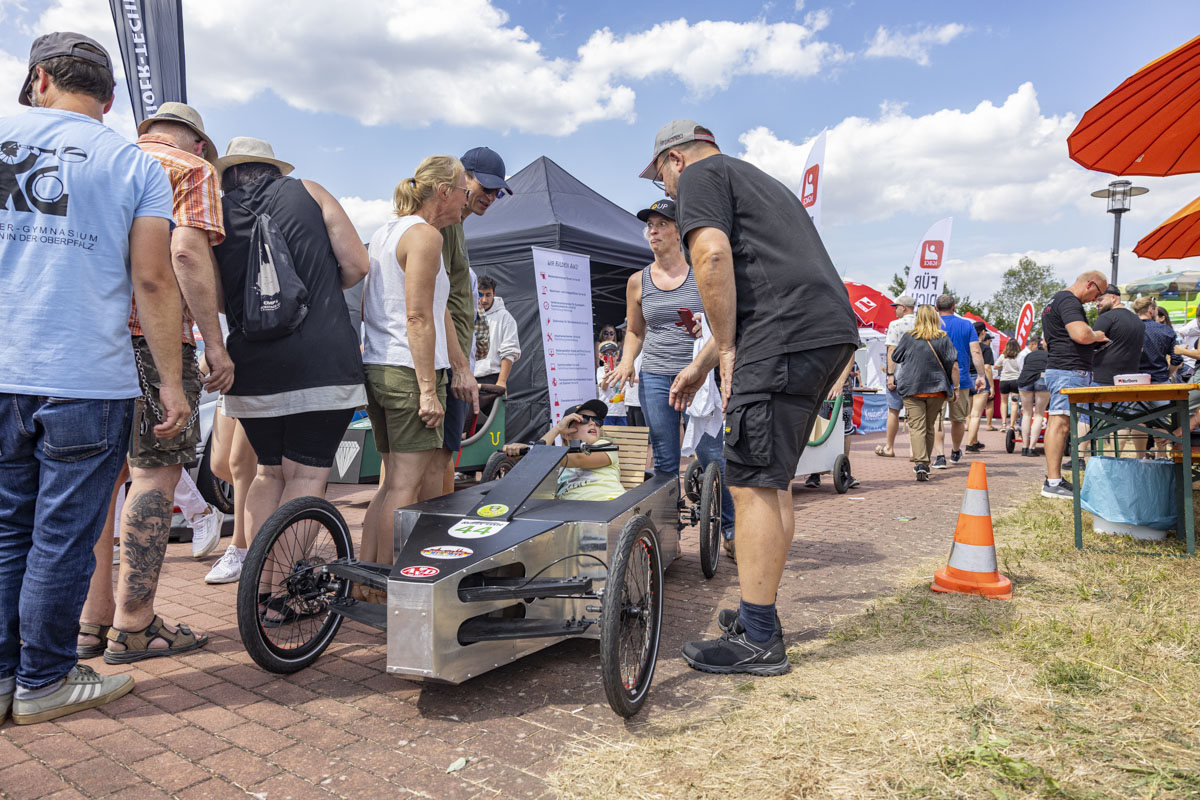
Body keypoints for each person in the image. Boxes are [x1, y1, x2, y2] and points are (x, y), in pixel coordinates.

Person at [0, 32, 181, 723]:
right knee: (63, 537)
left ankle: (5, 677)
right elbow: (153, 280)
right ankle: (44, 680)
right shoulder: (134, 164)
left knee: (6, 530)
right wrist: (171, 384)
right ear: (108, 101)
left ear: (40, 79)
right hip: (85, 376)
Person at [646, 119, 859, 675]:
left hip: (784, 337)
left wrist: (728, 350)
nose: (666, 190)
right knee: (771, 479)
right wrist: (701, 366)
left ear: (674, 160)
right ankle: (756, 614)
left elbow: (712, 258)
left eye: (661, 178)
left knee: (750, 483)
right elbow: (752, 288)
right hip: (821, 331)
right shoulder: (755, 180)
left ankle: (759, 638)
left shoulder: (700, 177)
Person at [77, 102, 230, 664]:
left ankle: (89, 622)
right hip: (154, 338)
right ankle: (134, 623)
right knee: (154, 474)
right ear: (197, 142)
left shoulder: (102, 159)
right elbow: (185, 253)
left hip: (90, 340)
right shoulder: (191, 169)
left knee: (99, 483)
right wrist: (214, 343)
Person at [212, 138, 369, 555]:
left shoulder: (216, 213)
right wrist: (315, 290)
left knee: (268, 473)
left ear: (230, 173)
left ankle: (257, 582)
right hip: (321, 359)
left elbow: (216, 298)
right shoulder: (311, 192)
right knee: (306, 475)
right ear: (274, 169)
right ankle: (282, 585)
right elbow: (357, 264)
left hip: (251, 365)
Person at [602, 198, 735, 549]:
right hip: (656, 376)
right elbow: (635, 331)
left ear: (679, 232)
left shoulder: (700, 274)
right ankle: (667, 536)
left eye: (662, 224)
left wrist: (704, 333)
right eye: (650, 225)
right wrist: (627, 361)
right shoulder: (637, 281)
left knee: (711, 453)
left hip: (698, 375)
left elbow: (721, 322)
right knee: (664, 458)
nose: (654, 231)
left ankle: (731, 530)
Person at [361, 156, 468, 565]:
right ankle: (389, 582)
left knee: (391, 485)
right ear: (443, 191)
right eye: (463, 190)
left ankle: (369, 578)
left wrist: (457, 365)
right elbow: (418, 317)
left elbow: (434, 310)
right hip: (407, 371)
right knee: (404, 489)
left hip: (382, 365)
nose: (466, 199)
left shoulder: (386, 232)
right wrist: (427, 390)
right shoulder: (424, 235)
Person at [436, 146, 508, 496]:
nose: (491, 197)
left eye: (498, 192)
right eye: (486, 187)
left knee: (430, 467)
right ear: (462, 178)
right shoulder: (443, 227)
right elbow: (436, 305)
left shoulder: (457, 228)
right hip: (444, 365)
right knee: (425, 470)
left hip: (449, 363)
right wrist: (461, 367)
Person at [1040, 271, 1109, 499]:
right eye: (1097, 293)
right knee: (1060, 424)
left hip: (1062, 368)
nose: (1095, 300)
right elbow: (1081, 335)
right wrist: (1096, 335)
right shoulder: (1069, 301)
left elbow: (1048, 341)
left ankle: (1054, 480)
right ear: (1090, 284)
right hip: (1068, 370)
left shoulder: (1054, 301)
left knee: (1059, 422)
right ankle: (1053, 482)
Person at [502, 400, 625, 501]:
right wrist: (557, 429)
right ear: (567, 433)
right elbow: (536, 472)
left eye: (597, 420)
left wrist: (532, 453)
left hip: (608, 504)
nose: (593, 423)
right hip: (570, 513)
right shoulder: (556, 460)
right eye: (584, 419)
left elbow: (578, 459)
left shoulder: (604, 446)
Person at [891, 305, 960, 481]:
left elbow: (896, 357)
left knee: (917, 427)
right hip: (937, 389)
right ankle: (925, 463)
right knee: (929, 426)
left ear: (918, 319)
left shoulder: (909, 337)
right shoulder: (943, 337)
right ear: (935, 318)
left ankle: (921, 463)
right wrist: (956, 388)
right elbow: (953, 365)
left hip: (912, 388)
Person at [932, 295, 986, 469]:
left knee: (937, 419)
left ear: (936, 308)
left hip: (935, 379)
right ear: (954, 307)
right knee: (958, 419)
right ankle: (955, 451)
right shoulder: (966, 325)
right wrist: (981, 375)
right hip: (961, 378)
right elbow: (976, 351)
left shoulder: (932, 325)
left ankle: (940, 456)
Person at [804, 352, 860, 489]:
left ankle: (844, 471)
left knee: (845, 428)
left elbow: (850, 354)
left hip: (843, 389)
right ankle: (814, 472)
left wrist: (840, 383)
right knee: (817, 424)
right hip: (819, 387)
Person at [878, 295, 917, 458]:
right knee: (915, 414)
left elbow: (892, 351)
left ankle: (889, 447)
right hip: (917, 375)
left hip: (899, 373)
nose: (894, 310)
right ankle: (914, 450)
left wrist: (890, 375)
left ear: (904, 308)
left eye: (896, 307)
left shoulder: (895, 324)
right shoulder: (922, 323)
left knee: (894, 411)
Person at [473, 275, 521, 387]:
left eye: (488, 295)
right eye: (480, 295)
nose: (484, 300)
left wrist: (501, 381)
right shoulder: (467, 313)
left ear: (494, 293)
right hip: (466, 377)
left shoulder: (505, 317)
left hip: (491, 378)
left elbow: (509, 351)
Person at [1092, 286, 1144, 386]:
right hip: (1130, 380)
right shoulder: (1138, 320)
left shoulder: (1106, 317)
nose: (1097, 303)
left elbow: (1090, 344)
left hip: (1104, 379)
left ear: (1113, 298)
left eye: (1100, 299)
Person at [1016, 337, 1049, 457]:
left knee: (1026, 413)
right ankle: (1032, 448)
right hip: (1042, 378)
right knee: (1039, 414)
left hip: (1025, 379)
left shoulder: (1029, 355)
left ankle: (1024, 447)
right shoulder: (1050, 355)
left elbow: (1023, 368)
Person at [963, 322, 994, 453]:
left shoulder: (965, 346)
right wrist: (991, 386)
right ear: (983, 332)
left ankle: (974, 441)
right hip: (979, 378)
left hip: (966, 379)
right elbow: (987, 368)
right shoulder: (985, 348)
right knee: (976, 415)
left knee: (969, 414)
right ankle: (970, 445)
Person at [1136, 297, 1180, 384]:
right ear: (1151, 310)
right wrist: (1167, 374)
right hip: (1160, 379)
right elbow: (1177, 358)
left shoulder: (1128, 328)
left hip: (1133, 380)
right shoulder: (1166, 330)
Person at [994, 339, 1022, 431]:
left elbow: (995, 366)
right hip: (1015, 381)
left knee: (1004, 402)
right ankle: (1012, 426)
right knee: (1014, 403)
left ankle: (1003, 424)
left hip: (1004, 381)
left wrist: (1003, 366)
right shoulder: (1019, 356)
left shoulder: (1003, 356)